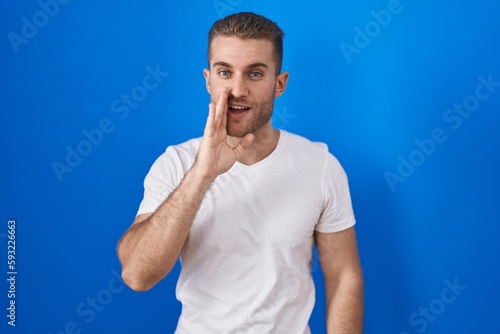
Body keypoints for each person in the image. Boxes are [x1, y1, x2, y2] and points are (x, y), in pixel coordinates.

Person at [117, 11, 363, 334]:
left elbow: (344, 275)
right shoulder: (176, 163)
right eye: (224, 72)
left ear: (280, 84)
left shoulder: (320, 166)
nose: (237, 89)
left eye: (255, 74)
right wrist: (202, 174)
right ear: (208, 79)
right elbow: (137, 274)